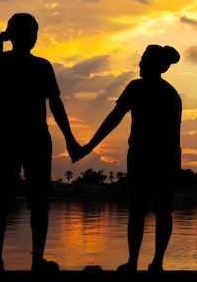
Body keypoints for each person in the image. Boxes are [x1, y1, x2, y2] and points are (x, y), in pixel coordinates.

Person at [0, 13, 81, 272]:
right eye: (31, 33)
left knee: (26, 203)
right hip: (19, 138)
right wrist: (70, 139)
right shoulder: (30, 65)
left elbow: (56, 105)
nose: (34, 37)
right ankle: (3, 261)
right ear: (18, 35)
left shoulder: (4, 61)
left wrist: (70, 139)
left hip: (28, 138)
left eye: (36, 33)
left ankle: (21, 260)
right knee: (8, 202)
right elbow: (56, 104)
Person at [78, 44, 182, 273]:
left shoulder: (138, 88)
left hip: (146, 156)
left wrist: (88, 147)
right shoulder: (170, 93)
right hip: (163, 158)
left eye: (145, 59)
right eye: (142, 58)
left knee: (144, 210)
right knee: (157, 210)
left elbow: (114, 118)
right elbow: (114, 118)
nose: (140, 63)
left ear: (156, 65)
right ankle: (152, 263)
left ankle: (140, 262)